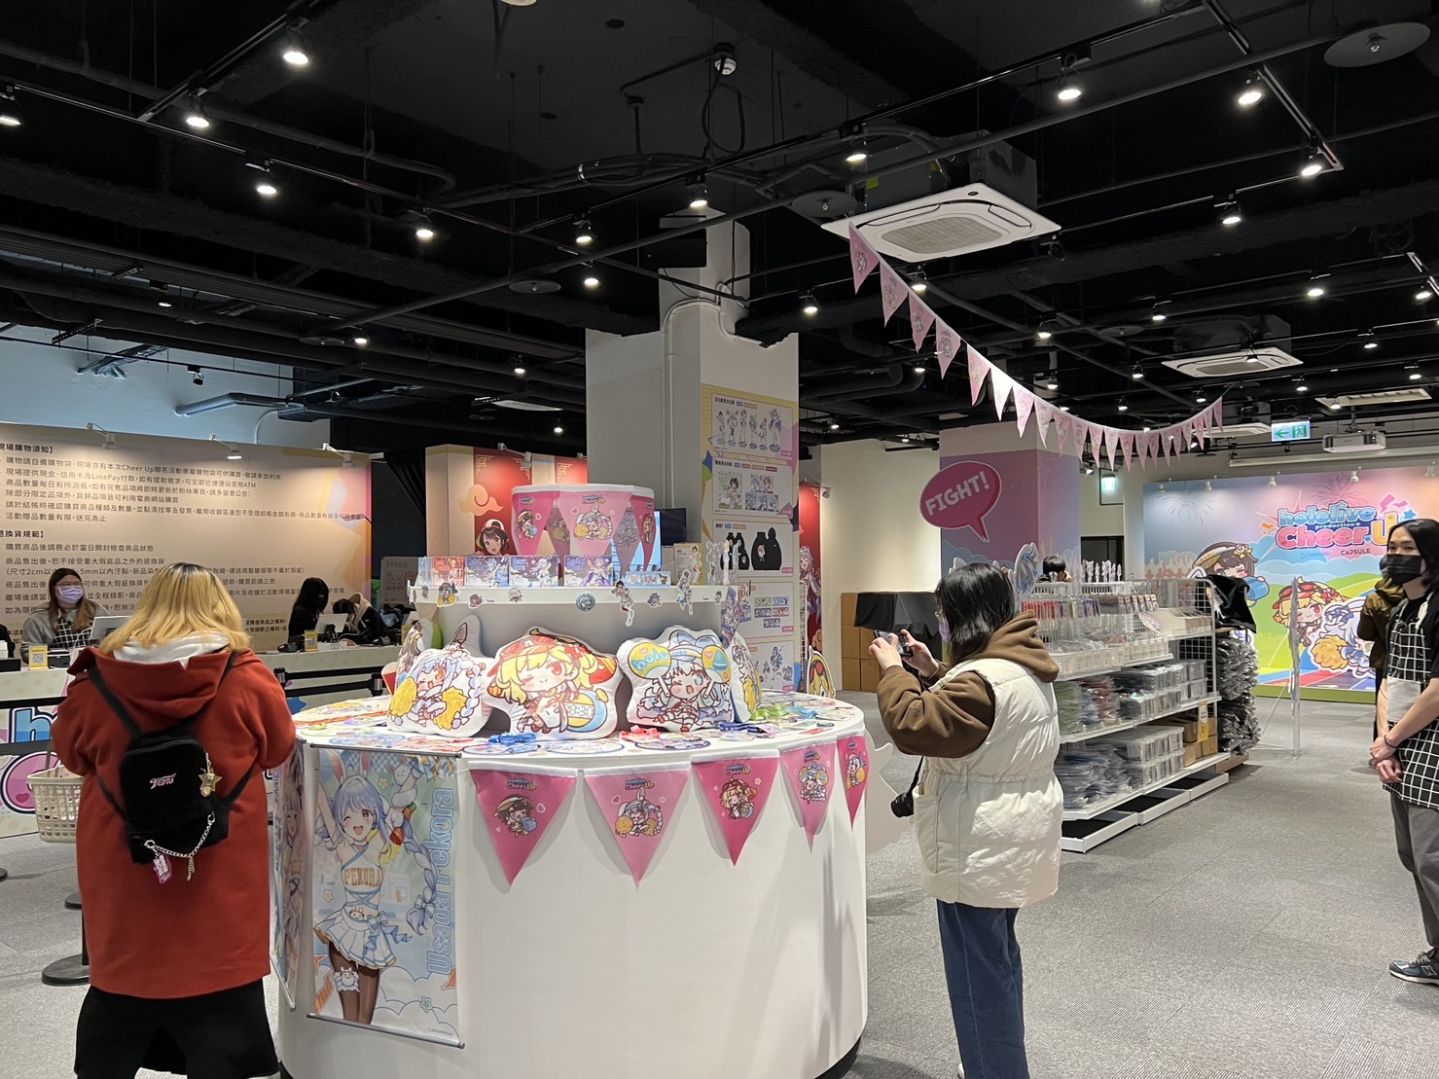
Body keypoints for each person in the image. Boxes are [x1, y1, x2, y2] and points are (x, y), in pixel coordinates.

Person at [52, 562, 295, 1078]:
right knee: (221, 978)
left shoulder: (97, 681)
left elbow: (71, 753)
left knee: (124, 973)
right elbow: (278, 747)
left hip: (125, 858)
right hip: (216, 860)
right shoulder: (245, 677)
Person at [870, 563, 1061, 1079]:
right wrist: (933, 672)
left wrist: (892, 672)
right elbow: (981, 723)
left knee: (978, 977)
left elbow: (914, 725)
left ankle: (995, 1069)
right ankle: (995, 1062)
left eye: (944, 613)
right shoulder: (1020, 661)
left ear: (963, 616)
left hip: (976, 842)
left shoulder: (983, 680)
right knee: (996, 960)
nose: (941, 622)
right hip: (1009, 837)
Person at [1371, 519, 1439, 986]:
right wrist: (1384, 743)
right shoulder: (1400, 611)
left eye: (1408, 549)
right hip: (1401, 741)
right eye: (1392, 547)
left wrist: (1392, 740)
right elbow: (1390, 680)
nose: (1396, 556)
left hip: (1431, 742)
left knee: (1433, 856)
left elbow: (1437, 692)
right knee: (1413, 854)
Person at [22, 568, 109, 651]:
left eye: (77, 584)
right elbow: (28, 651)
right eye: (66, 584)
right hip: (56, 661)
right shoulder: (39, 618)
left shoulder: (97, 611)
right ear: (53, 589)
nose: (72, 588)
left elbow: (113, 641)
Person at [1359, 576, 1405, 692]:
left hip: (1384, 660)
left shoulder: (1374, 599)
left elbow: (1365, 633)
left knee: (1384, 699)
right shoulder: (1421, 597)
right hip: (1418, 662)